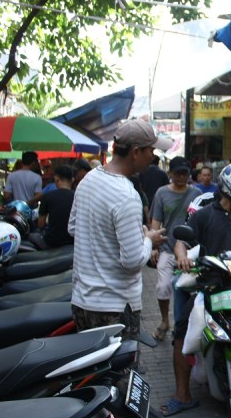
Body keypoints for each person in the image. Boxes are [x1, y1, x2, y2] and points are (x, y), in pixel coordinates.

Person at [165, 161, 231, 416]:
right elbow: (180, 241)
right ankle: (181, 395)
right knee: (182, 333)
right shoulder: (204, 215)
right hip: (209, 287)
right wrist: (182, 256)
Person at [68, 118, 170, 340]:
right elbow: (132, 260)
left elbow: (74, 227)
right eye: (150, 150)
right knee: (120, 374)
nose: (153, 156)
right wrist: (148, 240)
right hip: (115, 307)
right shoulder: (127, 196)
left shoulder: (88, 180)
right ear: (135, 152)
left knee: (92, 373)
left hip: (83, 302)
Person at [149, 156, 201, 342]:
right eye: (177, 173)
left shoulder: (196, 193)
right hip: (167, 249)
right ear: (170, 173)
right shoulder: (161, 193)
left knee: (188, 288)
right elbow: (155, 220)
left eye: (184, 173)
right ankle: (165, 321)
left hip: (190, 252)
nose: (181, 177)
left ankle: (186, 323)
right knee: (163, 287)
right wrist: (154, 246)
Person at [28, 165, 75, 249]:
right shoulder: (77, 197)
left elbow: (41, 224)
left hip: (52, 242)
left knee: (31, 236)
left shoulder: (47, 196)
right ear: (72, 180)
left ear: (56, 179)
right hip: (72, 241)